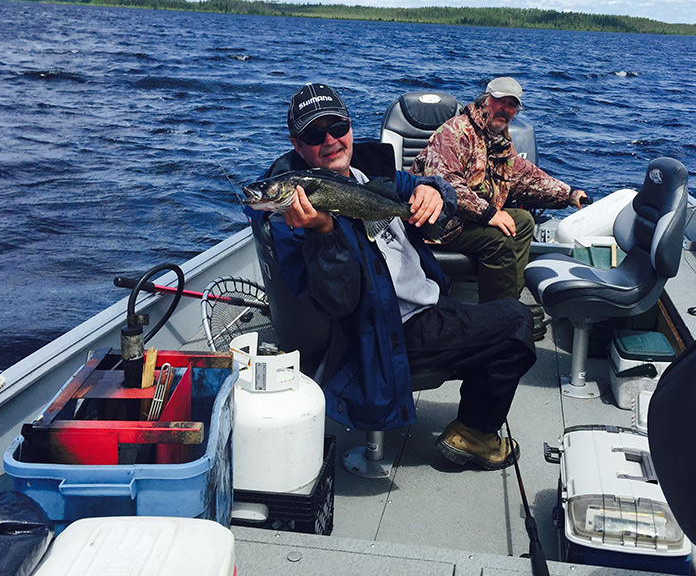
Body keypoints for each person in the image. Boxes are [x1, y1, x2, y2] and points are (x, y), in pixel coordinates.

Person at [244, 82, 537, 470]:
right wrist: (323, 233)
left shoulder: (370, 175)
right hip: (384, 333)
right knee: (517, 323)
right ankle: (475, 435)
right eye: (315, 135)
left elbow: (432, 189)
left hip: (423, 306)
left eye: (338, 128)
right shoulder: (291, 221)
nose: (330, 141)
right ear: (297, 146)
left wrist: (434, 191)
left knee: (496, 316)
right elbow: (337, 302)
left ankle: (473, 412)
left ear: (351, 127)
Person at [411, 77, 589, 305]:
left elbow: (527, 176)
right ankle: (497, 313)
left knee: (523, 222)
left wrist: (570, 194)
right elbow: (447, 185)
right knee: (498, 238)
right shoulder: (456, 130)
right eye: (500, 101)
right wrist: (489, 214)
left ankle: (510, 301)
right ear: (485, 101)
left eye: (512, 105)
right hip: (437, 224)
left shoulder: (499, 140)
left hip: (466, 220)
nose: (506, 109)